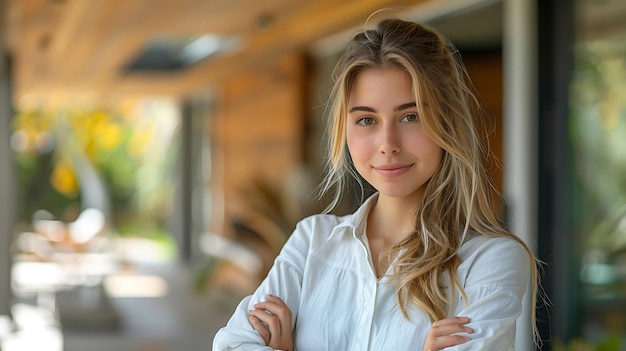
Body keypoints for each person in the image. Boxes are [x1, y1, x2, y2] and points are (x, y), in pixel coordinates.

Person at [213, 17, 538, 351]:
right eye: (367, 120)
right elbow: (231, 344)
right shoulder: (312, 243)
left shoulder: (488, 262)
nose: (387, 144)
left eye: (410, 116)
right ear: (345, 130)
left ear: (448, 122)